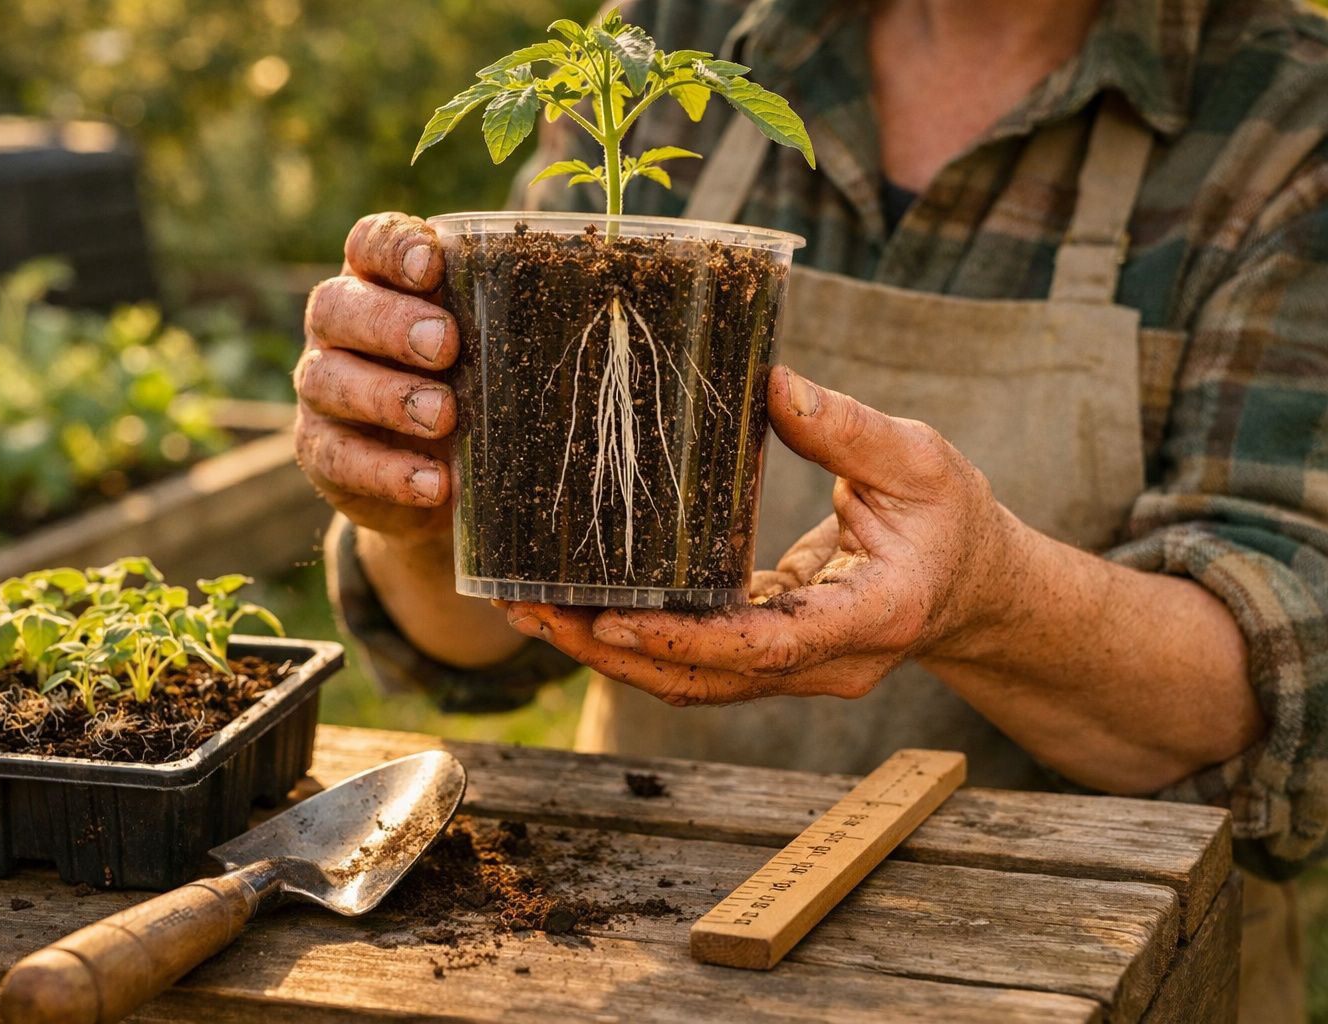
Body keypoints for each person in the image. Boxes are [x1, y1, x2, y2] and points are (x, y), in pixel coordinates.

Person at [294, 0, 1328, 1017]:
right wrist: (433, 504)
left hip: (1078, 963)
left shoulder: (1290, 117)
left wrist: (988, 596)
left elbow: (1295, 674)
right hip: (633, 927)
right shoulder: (672, 27)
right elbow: (490, 634)